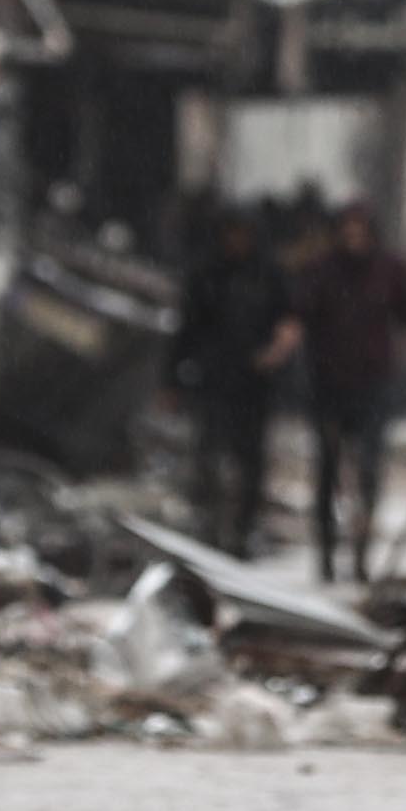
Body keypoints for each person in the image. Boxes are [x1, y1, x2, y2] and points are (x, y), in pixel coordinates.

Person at [288, 202, 406, 586]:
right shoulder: (320, 271)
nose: (354, 237)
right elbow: (298, 316)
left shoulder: (390, 270)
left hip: (373, 384)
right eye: (347, 229)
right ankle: (327, 553)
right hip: (328, 385)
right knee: (328, 470)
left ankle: (361, 552)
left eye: (360, 229)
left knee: (367, 471)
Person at [169, 209, 301, 557]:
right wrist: (170, 379)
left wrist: (275, 354)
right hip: (214, 379)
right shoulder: (206, 275)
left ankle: (242, 531)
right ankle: (209, 529)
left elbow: (289, 323)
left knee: (250, 462)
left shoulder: (269, 275)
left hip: (254, 384)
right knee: (208, 457)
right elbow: (186, 330)